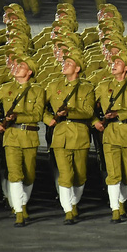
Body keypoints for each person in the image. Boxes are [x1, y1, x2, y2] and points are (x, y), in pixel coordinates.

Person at [92, 50, 127, 223]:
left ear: (126, 68)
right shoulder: (103, 85)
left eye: (118, 63)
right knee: (114, 174)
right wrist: (95, 121)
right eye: (113, 63)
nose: (113, 65)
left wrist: (119, 114)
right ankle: (115, 208)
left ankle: (121, 201)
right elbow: (87, 105)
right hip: (111, 134)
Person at [0, 55, 44, 226]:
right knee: (15, 174)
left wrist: (18, 116)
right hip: (11, 137)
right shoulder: (4, 89)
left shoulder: (38, 91)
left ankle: (21, 203)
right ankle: (20, 211)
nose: (16, 67)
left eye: (21, 66)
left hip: (29, 136)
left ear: (29, 72)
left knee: (29, 175)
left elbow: (37, 114)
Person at [44, 49, 95, 224]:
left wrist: (71, 111)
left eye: (69, 64)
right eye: (64, 63)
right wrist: (47, 119)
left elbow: (88, 112)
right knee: (65, 174)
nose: (64, 65)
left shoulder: (87, 88)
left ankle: (73, 202)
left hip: (79, 135)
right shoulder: (54, 86)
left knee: (80, 175)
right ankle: (68, 209)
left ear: (78, 68)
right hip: (60, 135)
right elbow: (39, 106)